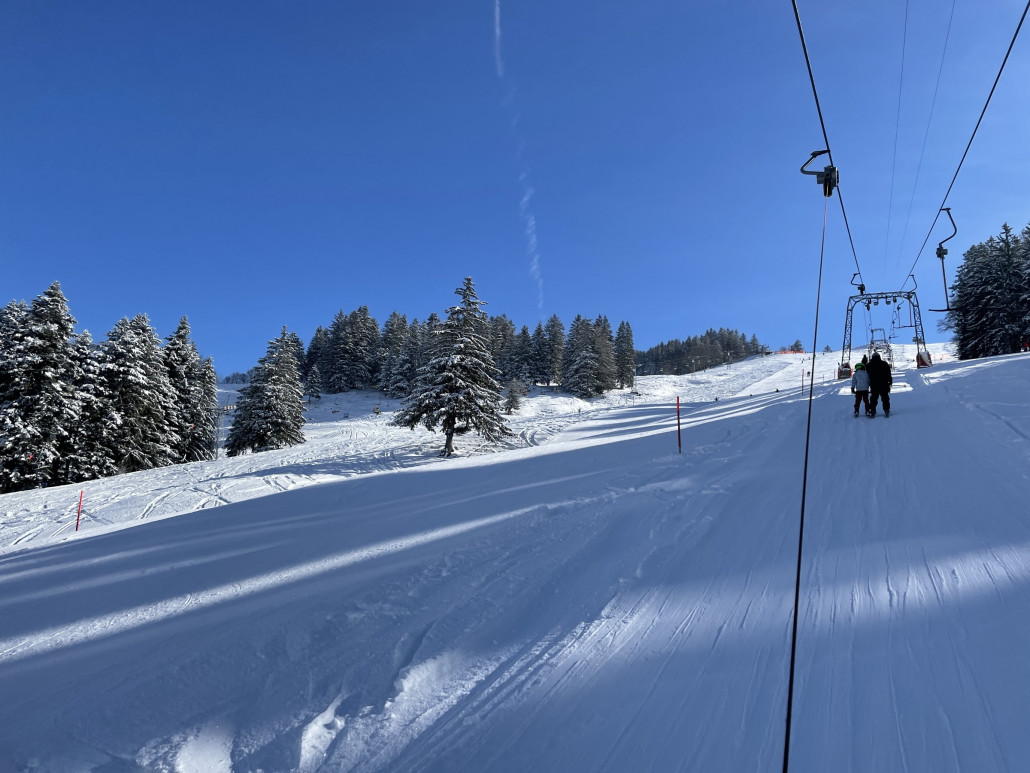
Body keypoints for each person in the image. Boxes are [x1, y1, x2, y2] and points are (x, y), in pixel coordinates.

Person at [866, 351, 892, 417]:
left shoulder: (869, 365)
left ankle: (872, 410)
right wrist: (890, 382)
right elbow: (888, 374)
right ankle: (886, 409)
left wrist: (868, 384)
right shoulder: (884, 364)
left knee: (874, 398)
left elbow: (867, 375)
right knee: (885, 397)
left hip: (874, 384)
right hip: (884, 384)